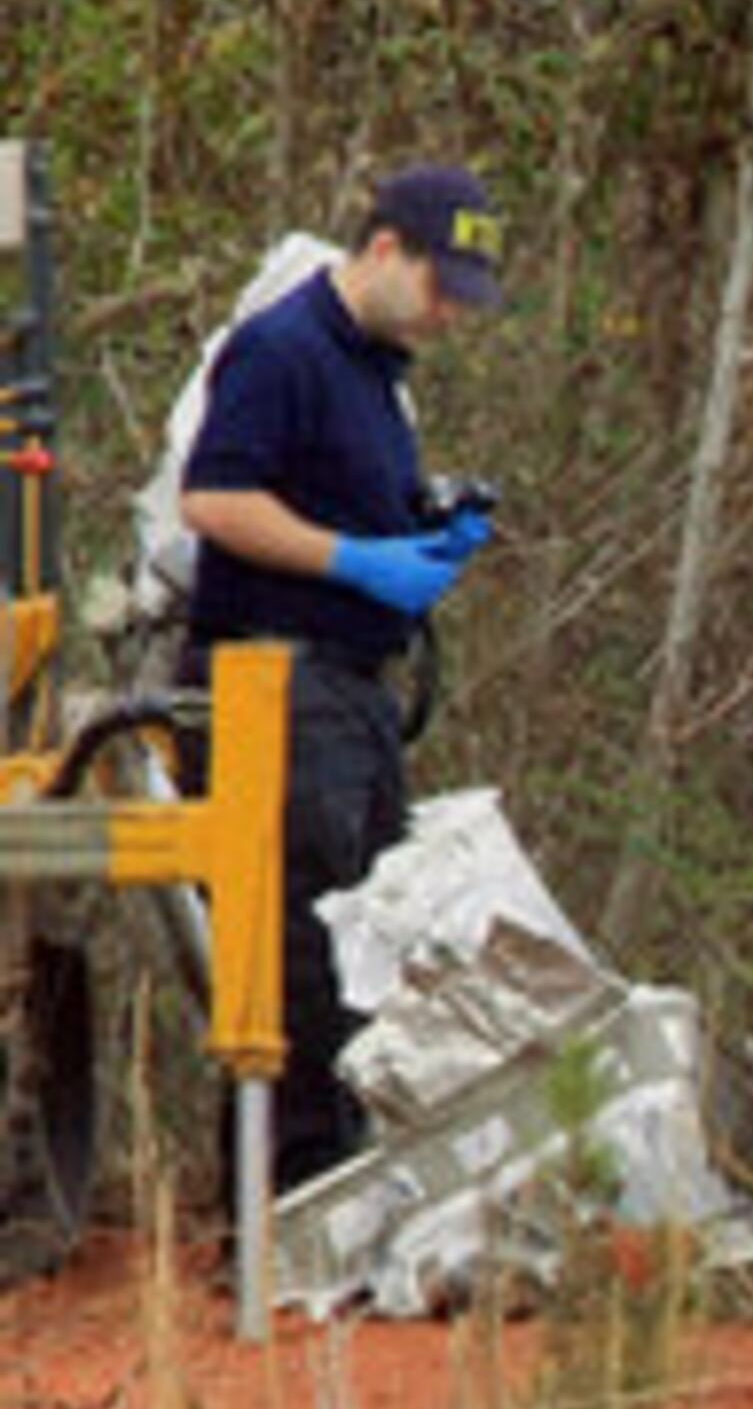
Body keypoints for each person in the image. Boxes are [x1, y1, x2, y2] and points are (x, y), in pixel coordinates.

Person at [178, 160, 507, 1188]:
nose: (450, 311)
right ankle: (282, 1205)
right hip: (273, 683)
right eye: (439, 283)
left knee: (367, 940)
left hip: (353, 690)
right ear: (381, 250)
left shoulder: (376, 374)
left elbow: (342, 492)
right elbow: (215, 500)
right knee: (299, 953)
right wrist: (352, 560)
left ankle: (334, 1185)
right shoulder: (282, 348)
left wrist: (426, 535)